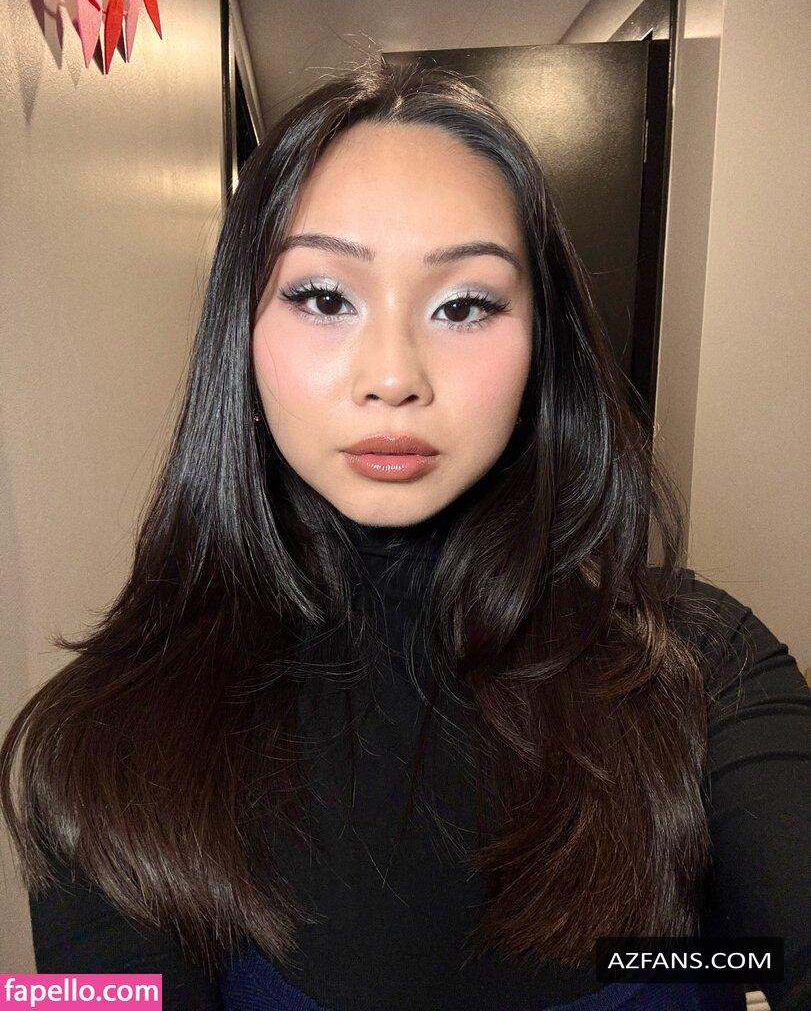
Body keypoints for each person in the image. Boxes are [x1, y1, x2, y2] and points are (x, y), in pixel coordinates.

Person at [2, 56, 808, 1011]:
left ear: (541, 350)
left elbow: (762, 957)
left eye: (464, 305)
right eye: (323, 297)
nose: (392, 376)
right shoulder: (97, 743)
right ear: (239, 337)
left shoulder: (700, 665)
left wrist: (698, 962)